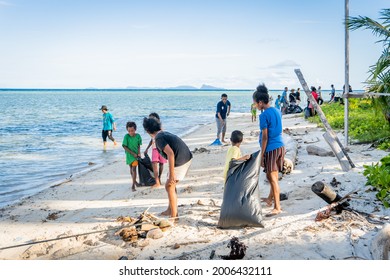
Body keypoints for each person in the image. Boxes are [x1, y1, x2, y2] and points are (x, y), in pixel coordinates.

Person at [143, 117, 193, 218]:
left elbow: (170, 154)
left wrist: (171, 175)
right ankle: (170, 209)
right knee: (169, 186)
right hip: (186, 157)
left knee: (170, 186)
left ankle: (174, 216)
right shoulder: (162, 134)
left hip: (182, 160)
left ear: (147, 131)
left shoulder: (159, 138)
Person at [253, 83, 285, 217]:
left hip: (271, 148)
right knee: (272, 175)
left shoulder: (263, 116)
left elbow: (265, 137)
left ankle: (277, 207)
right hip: (280, 146)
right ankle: (270, 199)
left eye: (255, 103)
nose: (254, 105)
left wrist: (262, 154)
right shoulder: (276, 110)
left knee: (272, 178)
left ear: (260, 102)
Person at [144, 112, 167, 188]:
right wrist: (147, 148)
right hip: (154, 148)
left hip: (161, 147)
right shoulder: (151, 130)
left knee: (161, 163)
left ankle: (159, 177)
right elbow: (152, 139)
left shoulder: (160, 129)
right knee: (154, 163)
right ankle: (157, 181)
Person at [122, 121, 142, 192]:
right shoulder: (126, 137)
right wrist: (132, 153)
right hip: (129, 155)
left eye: (132, 131)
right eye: (129, 131)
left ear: (135, 129)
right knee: (131, 169)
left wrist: (138, 153)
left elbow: (139, 145)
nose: (131, 132)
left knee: (134, 169)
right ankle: (135, 182)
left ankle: (133, 185)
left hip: (135, 156)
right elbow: (124, 146)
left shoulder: (138, 136)